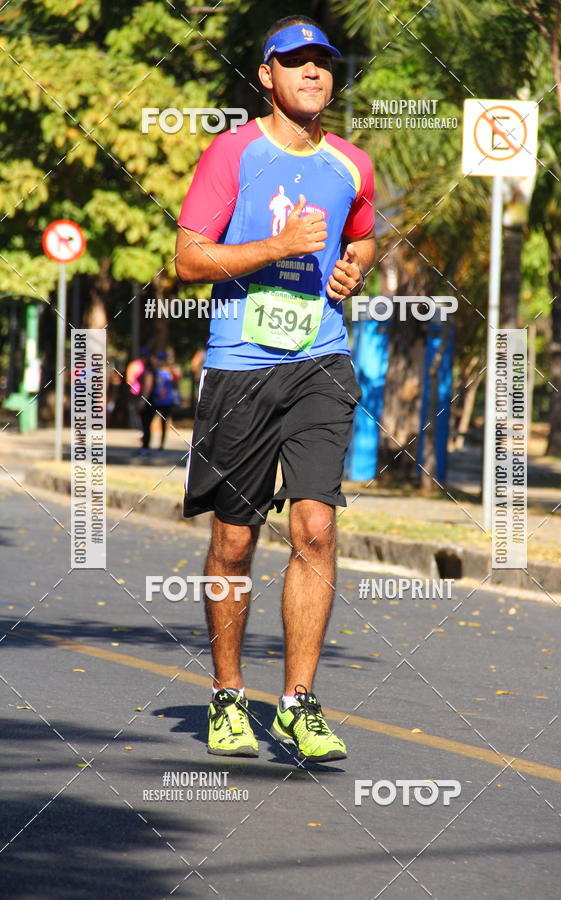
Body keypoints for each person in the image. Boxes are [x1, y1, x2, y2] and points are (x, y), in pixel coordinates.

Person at [176, 14, 376, 761]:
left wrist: (355, 265)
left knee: (317, 529)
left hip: (321, 362)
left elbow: (362, 231)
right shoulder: (232, 155)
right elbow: (189, 261)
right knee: (234, 541)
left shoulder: (352, 163)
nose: (313, 73)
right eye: (295, 62)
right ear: (267, 76)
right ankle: (229, 694)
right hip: (240, 366)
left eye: (322, 62)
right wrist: (279, 247)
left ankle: (298, 701)